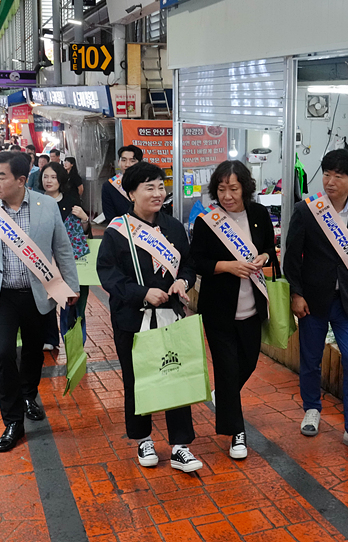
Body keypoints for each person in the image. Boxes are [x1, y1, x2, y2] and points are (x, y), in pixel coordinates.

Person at [0, 153, 80, 453]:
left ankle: (29, 394)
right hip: (0, 295)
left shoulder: (47, 207)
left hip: (37, 295)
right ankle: (13, 421)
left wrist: (71, 286)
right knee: (2, 354)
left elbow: (63, 249)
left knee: (34, 350)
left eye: (1, 176)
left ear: (21, 179)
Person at [97, 162, 201, 473]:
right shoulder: (117, 231)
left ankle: (181, 445)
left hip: (170, 315)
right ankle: (143, 438)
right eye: (149, 187)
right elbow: (108, 275)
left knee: (177, 377)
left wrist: (184, 281)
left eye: (160, 186)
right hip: (132, 317)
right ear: (131, 193)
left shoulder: (173, 227)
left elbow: (188, 265)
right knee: (137, 379)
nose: (158, 193)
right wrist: (142, 293)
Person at [284, 149, 348, 457]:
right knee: (311, 359)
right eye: (326, 173)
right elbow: (291, 257)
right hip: (313, 300)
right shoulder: (307, 210)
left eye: (338, 176)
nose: (330, 181)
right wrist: (296, 294)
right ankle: (312, 409)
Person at [190, 161, 276, 460]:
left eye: (234, 189)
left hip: (252, 309)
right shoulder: (207, 221)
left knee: (248, 363)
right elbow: (197, 262)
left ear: (245, 189)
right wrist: (229, 266)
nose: (227, 196)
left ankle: (225, 397)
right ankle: (236, 433)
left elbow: (269, 249)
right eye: (222, 189)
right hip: (218, 310)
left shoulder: (259, 214)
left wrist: (264, 255)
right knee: (226, 369)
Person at [41, 162, 91, 347]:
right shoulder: (36, 200)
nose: (49, 181)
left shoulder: (71, 200)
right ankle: (49, 338)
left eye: (53, 177)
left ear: (61, 179)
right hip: (44, 262)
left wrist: (85, 218)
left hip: (71, 262)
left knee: (72, 305)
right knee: (45, 303)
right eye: (45, 176)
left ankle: (75, 342)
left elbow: (83, 234)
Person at [101, 145, 142, 223]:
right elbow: (110, 216)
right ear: (118, 162)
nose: (127, 164)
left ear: (140, 163)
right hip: (120, 230)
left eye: (132, 161)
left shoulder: (148, 183)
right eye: (123, 160)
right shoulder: (109, 186)